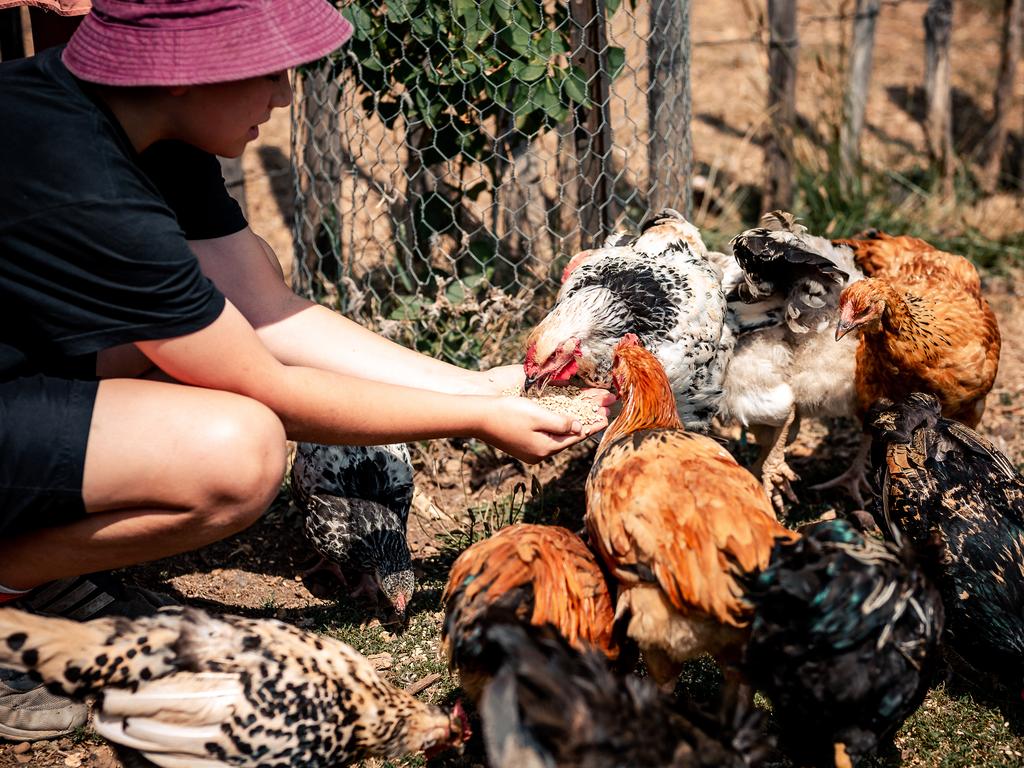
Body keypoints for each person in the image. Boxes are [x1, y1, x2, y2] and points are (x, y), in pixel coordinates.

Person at [0, 0, 614, 740]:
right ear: (185, 75)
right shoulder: (80, 175)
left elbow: (263, 308)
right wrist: (477, 422)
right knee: (238, 450)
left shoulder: (138, 122)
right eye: (265, 70)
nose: (286, 94)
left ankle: (32, 570)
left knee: (226, 279)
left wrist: (487, 385)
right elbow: (264, 384)